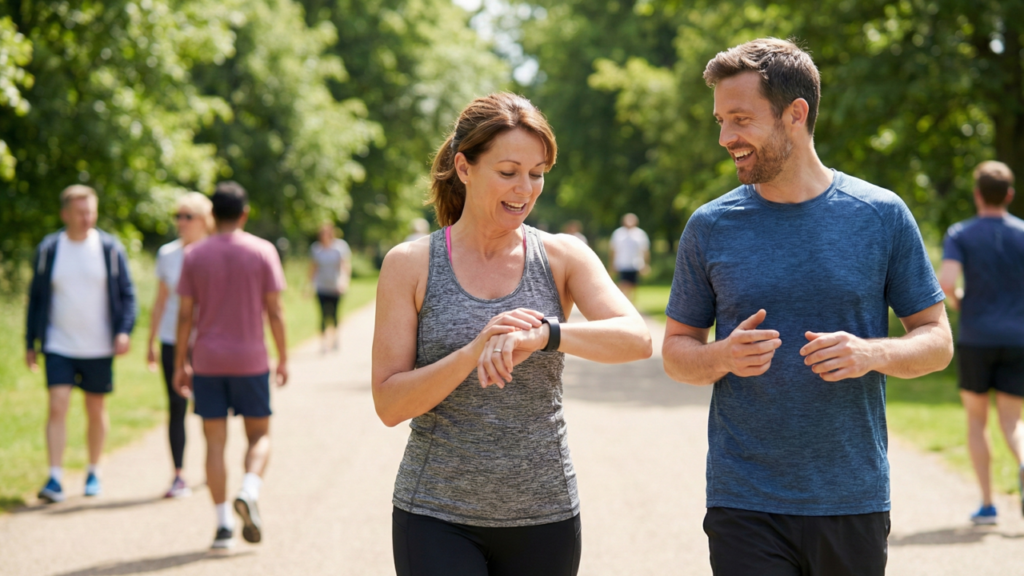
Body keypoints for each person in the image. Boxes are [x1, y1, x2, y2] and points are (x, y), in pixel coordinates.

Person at [662, 39, 953, 575]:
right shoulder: (709, 226)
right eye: (721, 121)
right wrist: (723, 355)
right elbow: (677, 352)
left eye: (741, 119)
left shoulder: (880, 215)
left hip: (852, 498)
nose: (727, 138)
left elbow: (937, 339)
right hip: (743, 499)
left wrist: (871, 353)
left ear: (796, 114)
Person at [372, 92, 652, 576]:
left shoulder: (562, 256)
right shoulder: (411, 265)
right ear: (464, 167)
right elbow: (389, 404)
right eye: (508, 172)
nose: (525, 188)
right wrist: (473, 352)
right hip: (435, 513)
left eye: (537, 173)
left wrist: (547, 335)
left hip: (545, 513)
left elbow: (636, 338)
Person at [173, 181, 288, 550]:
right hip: (250, 360)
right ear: (244, 213)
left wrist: (180, 363)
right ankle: (249, 489)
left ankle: (223, 526)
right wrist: (283, 356)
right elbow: (275, 310)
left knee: (214, 443)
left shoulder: (194, 255)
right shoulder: (262, 251)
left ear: (213, 215)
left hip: (207, 361)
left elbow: (185, 317)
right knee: (260, 435)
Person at [26, 184, 137, 503]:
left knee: (95, 408)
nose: (86, 217)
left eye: (91, 211)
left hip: (99, 346)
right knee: (58, 404)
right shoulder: (50, 249)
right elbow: (35, 299)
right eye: (80, 212)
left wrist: (124, 330)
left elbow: (128, 295)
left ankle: (93, 470)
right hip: (59, 344)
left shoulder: (110, 248)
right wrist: (30, 342)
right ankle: (56, 476)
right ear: (65, 214)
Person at [939, 161, 1024, 525]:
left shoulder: (960, 234)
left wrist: (962, 302)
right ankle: (1022, 463)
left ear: (977, 194)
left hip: (976, 337)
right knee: (1013, 421)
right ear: (1009, 195)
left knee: (977, 420)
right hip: (1018, 338)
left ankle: (988, 504)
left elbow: (945, 282)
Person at [146, 192, 214, 498]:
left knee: (209, 409)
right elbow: (160, 301)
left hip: (207, 342)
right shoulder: (167, 254)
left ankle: (212, 469)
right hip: (173, 340)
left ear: (204, 220)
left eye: (188, 216)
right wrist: (150, 341)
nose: (181, 222)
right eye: (178, 216)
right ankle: (178, 474)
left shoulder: (214, 253)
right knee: (176, 406)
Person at [309, 223, 351, 352]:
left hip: (336, 286)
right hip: (321, 286)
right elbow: (313, 268)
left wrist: (344, 282)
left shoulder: (340, 247)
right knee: (322, 314)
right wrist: (310, 285)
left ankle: (335, 339)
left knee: (334, 314)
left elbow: (345, 266)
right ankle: (323, 343)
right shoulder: (316, 248)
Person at [608, 213, 649, 303]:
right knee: (623, 284)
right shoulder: (618, 234)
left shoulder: (640, 234)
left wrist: (645, 264)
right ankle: (622, 303)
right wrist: (612, 265)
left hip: (635, 264)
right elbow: (613, 251)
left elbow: (645, 250)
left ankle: (631, 304)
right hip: (622, 264)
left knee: (633, 286)